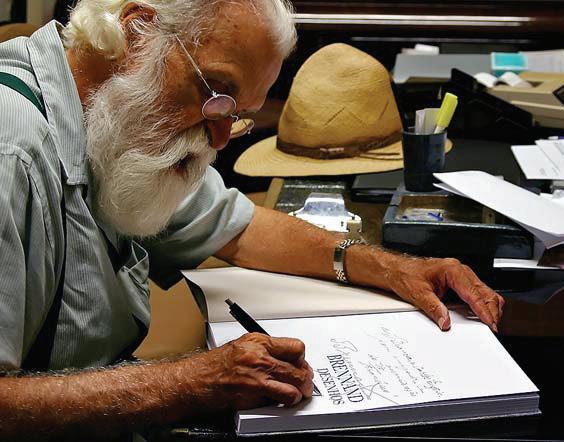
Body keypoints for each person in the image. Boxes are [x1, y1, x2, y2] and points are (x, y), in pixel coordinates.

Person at [0, 0, 504, 438]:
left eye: (236, 114)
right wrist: (194, 382)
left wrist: (396, 269)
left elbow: (239, 226)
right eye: (217, 94)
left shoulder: (120, 115)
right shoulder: (13, 152)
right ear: (137, 34)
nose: (219, 140)